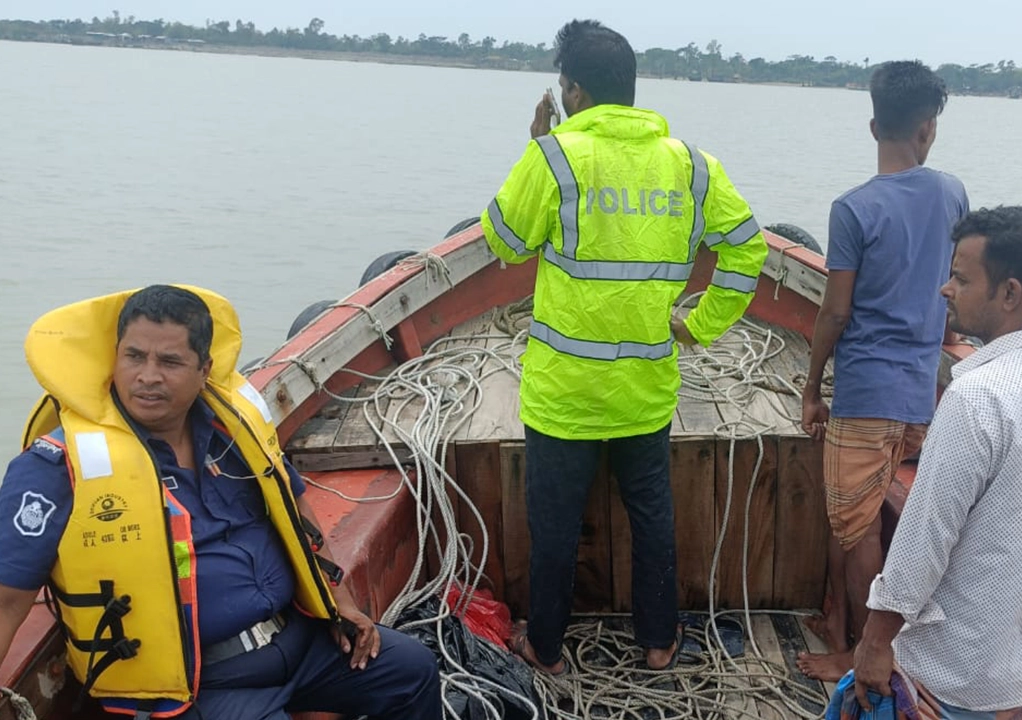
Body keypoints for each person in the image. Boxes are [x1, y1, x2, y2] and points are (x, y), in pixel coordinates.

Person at [0, 285, 442, 719]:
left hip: (300, 642)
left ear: (205, 369)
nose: (148, 376)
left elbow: (297, 509)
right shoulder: (57, 467)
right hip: (199, 685)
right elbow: (8, 600)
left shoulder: (234, 432)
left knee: (412, 670)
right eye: (134, 356)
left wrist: (340, 601)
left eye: (170, 361)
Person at [480, 19, 768, 675]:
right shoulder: (692, 164)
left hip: (565, 394)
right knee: (653, 523)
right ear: (630, 91)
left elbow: (503, 239)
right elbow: (748, 246)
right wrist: (701, 322)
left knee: (553, 531)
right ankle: (660, 643)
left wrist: (535, 148)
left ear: (573, 92)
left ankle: (546, 650)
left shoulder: (555, 155)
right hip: (645, 389)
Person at [849, 207, 1022, 719]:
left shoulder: (977, 397)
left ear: (1010, 294)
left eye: (960, 277)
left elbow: (924, 539)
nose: (945, 289)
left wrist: (874, 641)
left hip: (950, 676)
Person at [798, 60, 969, 681]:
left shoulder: (853, 209)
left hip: (866, 393)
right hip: (921, 394)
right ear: (928, 130)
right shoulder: (953, 193)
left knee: (857, 530)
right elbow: (951, 286)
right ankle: (847, 627)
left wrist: (813, 387)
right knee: (884, 521)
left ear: (875, 126)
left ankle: (859, 653)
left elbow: (835, 310)